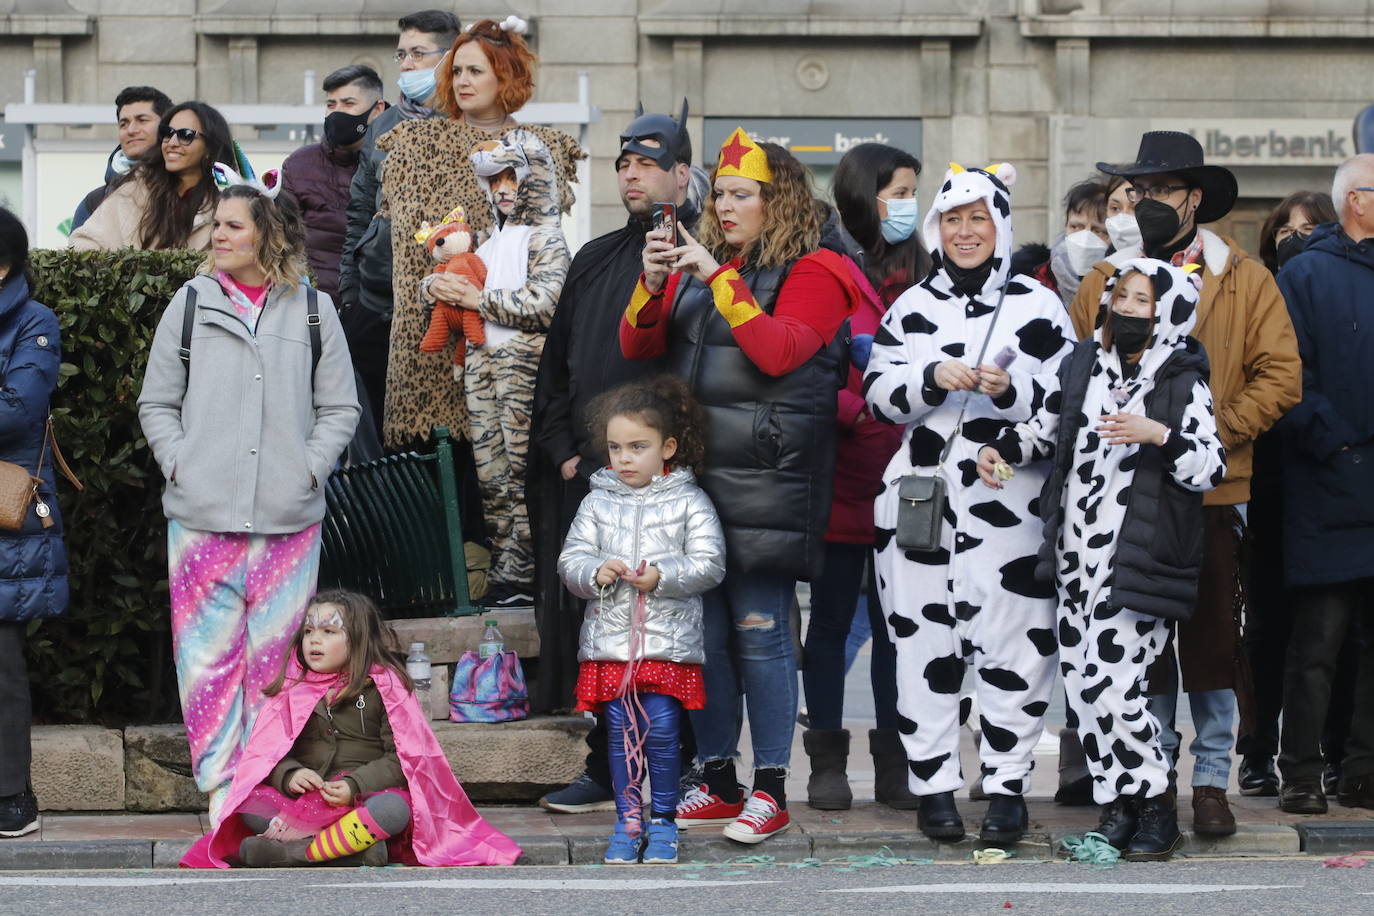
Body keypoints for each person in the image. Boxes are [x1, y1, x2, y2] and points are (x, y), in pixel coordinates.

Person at [621, 128, 861, 844]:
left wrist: (716, 278)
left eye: (740, 195)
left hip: (769, 484)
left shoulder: (819, 269)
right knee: (706, 639)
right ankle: (720, 778)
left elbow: (779, 351)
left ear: (776, 199)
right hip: (697, 481)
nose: (723, 206)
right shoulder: (711, 264)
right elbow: (637, 346)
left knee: (761, 635)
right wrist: (655, 283)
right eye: (719, 193)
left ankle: (772, 788)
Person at [1068, 130, 1301, 838]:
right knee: (1132, 646)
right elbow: (1079, 373)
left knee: (1209, 645)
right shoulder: (1104, 278)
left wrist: (1204, 434)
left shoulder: (1244, 277)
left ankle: (1209, 781)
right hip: (1117, 497)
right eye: (1138, 191)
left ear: (1195, 199)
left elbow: (1281, 376)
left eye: (1162, 191)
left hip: (1210, 492)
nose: (1147, 203)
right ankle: (1145, 781)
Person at [979, 259, 1226, 860]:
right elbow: (1047, 429)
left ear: (1166, 311)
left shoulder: (1181, 379)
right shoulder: (1084, 362)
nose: (1129, 309)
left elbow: (1209, 466)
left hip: (1137, 560)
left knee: (1119, 686)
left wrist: (1157, 434)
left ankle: (1157, 804)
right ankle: (1121, 805)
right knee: (1086, 691)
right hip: (1073, 558)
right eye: (1123, 296)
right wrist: (998, 448)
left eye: (1144, 300)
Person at [863, 162, 1076, 845]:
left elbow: (1067, 405)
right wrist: (930, 376)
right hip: (922, 507)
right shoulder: (912, 307)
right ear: (936, 228)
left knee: (1015, 644)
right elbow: (877, 394)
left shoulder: (1039, 307)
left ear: (1001, 225)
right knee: (920, 646)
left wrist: (1006, 394)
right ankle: (933, 785)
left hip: (1010, 505)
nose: (964, 231)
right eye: (952, 219)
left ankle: (1009, 785)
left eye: (978, 218)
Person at [137, 172, 361, 823]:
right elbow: (158, 402)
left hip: (288, 523)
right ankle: (219, 785)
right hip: (201, 519)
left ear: (270, 235)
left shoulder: (314, 310)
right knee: (205, 664)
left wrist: (308, 469)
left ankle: (262, 783)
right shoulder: (189, 303)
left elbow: (339, 408)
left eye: (231, 225)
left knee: (279, 665)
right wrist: (181, 463)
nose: (217, 236)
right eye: (214, 226)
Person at [532, 103, 700, 813]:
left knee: (672, 630)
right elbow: (557, 370)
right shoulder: (597, 256)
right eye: (624, 164)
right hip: (591, 481)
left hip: (673, 483)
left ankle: (685, 768)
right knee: (596, 629)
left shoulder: (705, 255)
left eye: (648, 164)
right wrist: (564, 453)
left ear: (682, 174)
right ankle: (605, 766)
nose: (632, 175)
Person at [181, 590, 523, 867]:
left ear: (357, 639)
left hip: (361, 800)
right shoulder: (292, 688)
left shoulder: (384, 687)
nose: (314, 641)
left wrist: (353, 785)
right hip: (307, 801)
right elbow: (267, 755)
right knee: (246, 805)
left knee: (394, 810)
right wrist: (290, 775)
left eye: (329, 632)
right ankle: (352, 852)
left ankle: (294, 853)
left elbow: (403, 759)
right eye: (309, 631)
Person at [377, 16, 583, 449]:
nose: (462, 81)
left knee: (504, 498)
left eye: (475, 70)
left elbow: (541, 252)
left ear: (505, 75)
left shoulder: (539, 148)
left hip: (509, 350)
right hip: (428, 347)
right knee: (435, 495)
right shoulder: (416, 144)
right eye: (456, 71)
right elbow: (400, 245)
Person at [800, 141, 925, 811]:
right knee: (830, 624)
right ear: (863, 192)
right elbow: (808, 372)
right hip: (843, 474)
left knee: (899, 627)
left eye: (912, 191)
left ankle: (896, 761)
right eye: (899, 191)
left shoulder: (926, 269)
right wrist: (865, 410)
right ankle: (825, 762)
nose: (909, 204)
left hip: (909, 483)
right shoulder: (826, 269)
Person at [558, 377, 726, 865]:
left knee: (664, 733)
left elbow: (710, 563)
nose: (624, 458)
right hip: (611, 644)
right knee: (619, 733)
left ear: (667, 447)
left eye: (638, 447)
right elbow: (570, 563)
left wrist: (663, 576)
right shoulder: (596, 501)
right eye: (615, 448)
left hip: (665, 644)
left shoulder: (691, 500)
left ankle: (665, 821)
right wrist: (594, 571)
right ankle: (628, 823)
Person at [417, 131, 570, 607]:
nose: (503, 189)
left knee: (526, 474)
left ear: (534, 179)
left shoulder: (547, 238)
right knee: (493, 476)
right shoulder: (489, 242)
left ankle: (538, 571)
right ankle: (510, 573)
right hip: (482, 375)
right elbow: (452, 279)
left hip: (526, 377)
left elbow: (547, 303)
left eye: (512, 177)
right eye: (494, 180)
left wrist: (477, 300)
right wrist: (433, 288)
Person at [1274, 153, 1374, 814]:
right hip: (1328, 484)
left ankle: (1363, 770)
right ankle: (1302, 774)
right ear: (1356, 200)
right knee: (1317, 644)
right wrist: (1336, 441)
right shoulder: (1306, 273)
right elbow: (1289, 375)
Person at [1238, 190, 1343, 799]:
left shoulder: (1329, 292)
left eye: (1308, 228)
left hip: (1324, 480)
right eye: (1284, 230)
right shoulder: (1256, 296)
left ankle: (1326, 749)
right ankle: (1256, 749)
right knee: (1266, 627)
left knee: (1330, 630)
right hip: (1267, 479)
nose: (1294, 238)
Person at [338, 9, 462, 444]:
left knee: (434, 433)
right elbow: (359, 210)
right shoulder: (384, 126)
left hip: (443, 305)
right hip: (376, 301)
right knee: (370, 425)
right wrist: (351, 292)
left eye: (418, 53)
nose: (407, 64)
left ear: (449, 58)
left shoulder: (467, 122)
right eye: (401, 54)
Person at [0, 207, 68, 838]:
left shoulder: (33, 322)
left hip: (3, 511)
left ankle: (12, 794)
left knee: (2, 657)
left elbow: (16, 412)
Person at [281, 65, 386, 302]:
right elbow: (280, 241)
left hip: (374, 308)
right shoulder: (299, 165)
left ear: (377, 109)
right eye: (331, 104)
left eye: (348, 104)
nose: (336, 113)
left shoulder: (395, 163)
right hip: (310, 304)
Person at [69, 101, 233, 252]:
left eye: (186, 135)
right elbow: (83, 245)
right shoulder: (133, 191)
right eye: (167, 133)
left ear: (210, 148)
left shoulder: (231, 200)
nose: (172, 142)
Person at [70, 85, 173, 231]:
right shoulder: (94, 202)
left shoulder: (188, 190)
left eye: (142, 120)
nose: (131, 130)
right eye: (124, 124)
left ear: (167, 127)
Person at [1010, 178, 1109, 306]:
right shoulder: (1029, 277)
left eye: (1098, 231)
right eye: (1076, 227)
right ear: (1065, 226)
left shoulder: (1124, 287)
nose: (1084, 239)